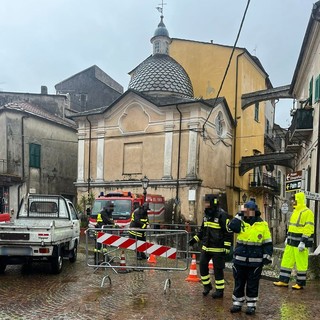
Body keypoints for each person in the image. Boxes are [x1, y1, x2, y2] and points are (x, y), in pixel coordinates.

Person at [228, 200, 273, 316]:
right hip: (240, 259)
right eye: (245, 210)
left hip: (255, 261)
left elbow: (267, 242)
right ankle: (237, 303)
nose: (247, 213)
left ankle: (251, 305)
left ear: (255, 211)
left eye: (249, 210)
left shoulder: (263, 225)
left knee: (253, 284)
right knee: (239, 282)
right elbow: (231, 226)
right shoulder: (240, 222)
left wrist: (267, 256)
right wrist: (239, 214)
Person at [189, 194, 233, 299]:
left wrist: (227, 247)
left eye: (207, 202)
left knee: (218, 270)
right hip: (206, 247)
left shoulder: (222, 215)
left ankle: (219, 291)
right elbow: (202, 231)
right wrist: (194, 240)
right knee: (203, 266)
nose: (205, 205)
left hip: (218, 248)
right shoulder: (206, 215)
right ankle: (207, 286)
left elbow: (228, 232)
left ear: (213, 202)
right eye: (205, 202)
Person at [273, 191, 314, 290]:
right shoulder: (295, 212)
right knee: (286, 261)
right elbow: (291, 227)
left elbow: (308, 228)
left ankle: (300, 283)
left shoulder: (307, 212)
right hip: (291, 242)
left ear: (299, 200)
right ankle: (283, 281)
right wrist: (287, 237)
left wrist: (303, 241)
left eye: (294, 200)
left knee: (301, 264)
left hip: (300, 243)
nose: (292, 202)